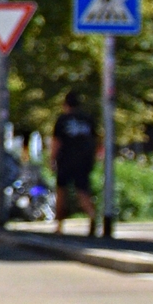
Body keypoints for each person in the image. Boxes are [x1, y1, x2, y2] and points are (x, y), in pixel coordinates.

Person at [51, 93, 99, 235]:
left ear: (66, 105)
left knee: (61, 191)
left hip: (66, 159)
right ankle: (92, 215)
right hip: (84, 160)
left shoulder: (62, 120)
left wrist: (52, 159)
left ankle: (59, 225)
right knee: (83, 190)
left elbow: (56, 142)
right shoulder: (88, 120)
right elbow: (96, 140)